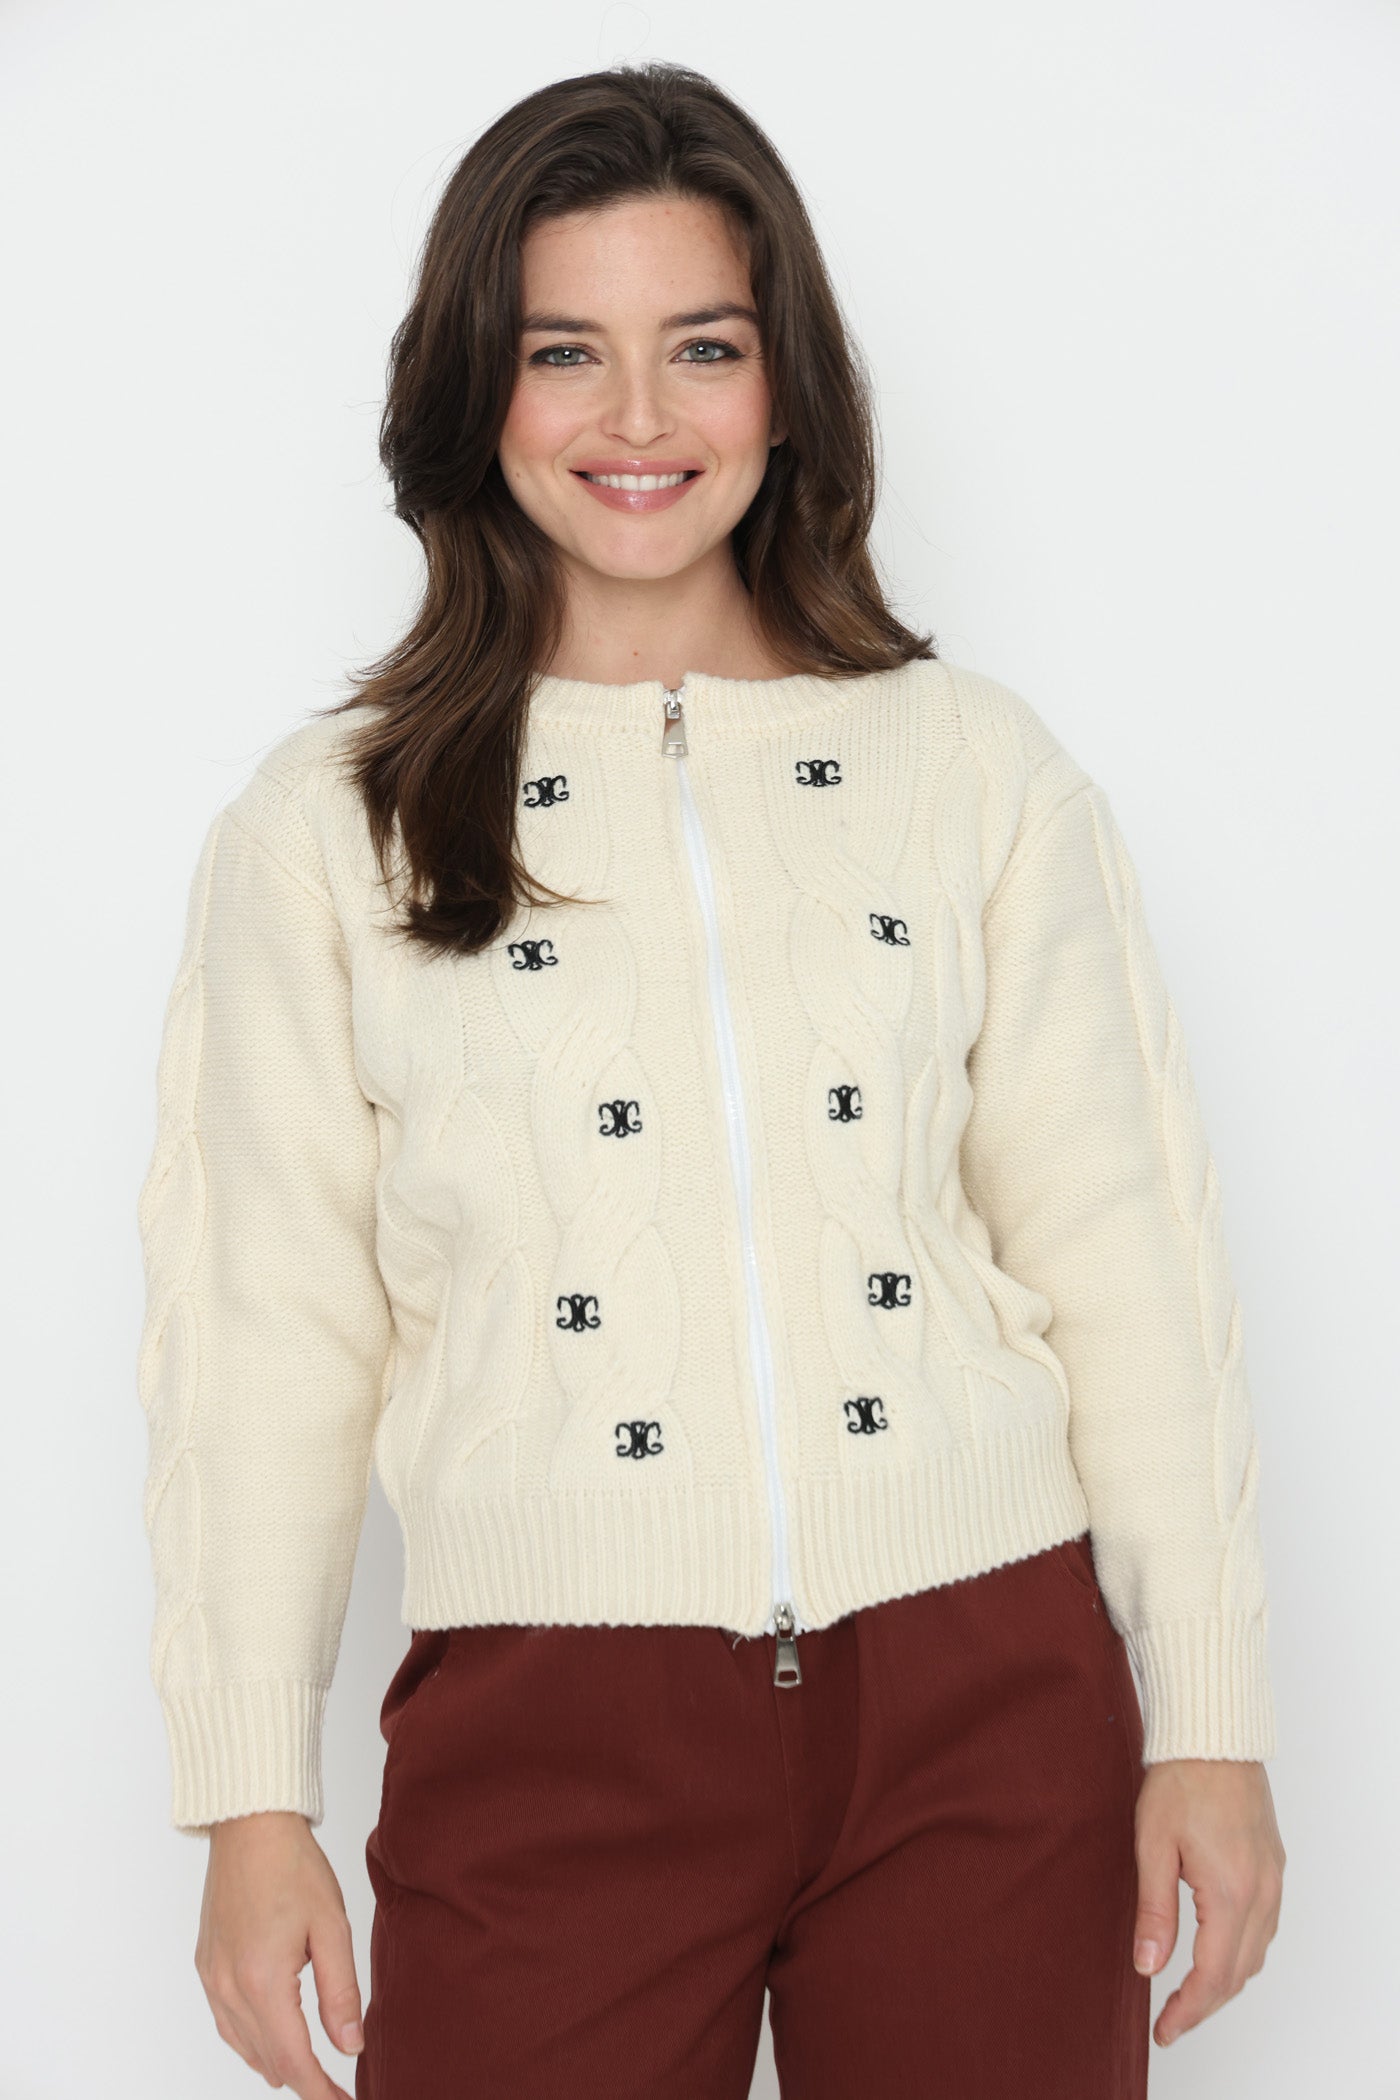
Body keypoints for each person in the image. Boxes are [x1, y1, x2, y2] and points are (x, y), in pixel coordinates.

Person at [134, 59, 1285, 2100]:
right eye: (564, 350)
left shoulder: (974, 772)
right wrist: (247, 1798)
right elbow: (263, 1332)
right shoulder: (327, 827)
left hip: (986, 1703)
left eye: (705, 347)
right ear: (477, 387)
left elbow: (1125, 1258)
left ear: (785, 383)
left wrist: (1207, 1719)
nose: (639, 418)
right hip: (546, 1721)